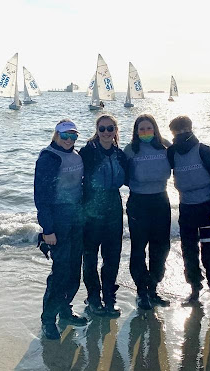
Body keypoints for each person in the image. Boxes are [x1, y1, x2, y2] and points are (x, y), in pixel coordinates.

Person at [167, 115, 210, 320]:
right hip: (186, 209)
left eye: (185, 131)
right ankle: (194, 290)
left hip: (208, 210)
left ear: (191, 129)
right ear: (173, 134)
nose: (182, 135)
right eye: (177, 133)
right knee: (189, 253)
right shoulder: (172, 153)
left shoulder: (204, 151)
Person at [34, 119, 87, 340]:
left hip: (77, 218)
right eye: (65, 135)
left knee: (75, 269)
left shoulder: (76, 155)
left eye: (73, 136)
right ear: (56, 135)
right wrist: (47, 229)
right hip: (58, 219)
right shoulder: (48, 158)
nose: (69, 140)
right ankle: (48, 319)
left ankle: (65, 309)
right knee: (60, 272)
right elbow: (41, 196)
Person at [80, 114, 127, 317]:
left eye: (110, 129)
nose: (106, 132)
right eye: (102, 129)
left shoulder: (120, 154)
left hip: (114, 207)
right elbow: (71, 177)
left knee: (112, 256)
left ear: (116, 131)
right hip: (91, 208)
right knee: (90, 257)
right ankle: (93, 298)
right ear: (97, 131)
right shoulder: (86, 152)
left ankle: (109, 296)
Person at [123, 114, 172, 310]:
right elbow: (123, 176)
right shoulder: (130, 149)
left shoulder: (165, 145)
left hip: (161, 200)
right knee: (138, 249)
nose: (145, 132)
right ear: (136, 131)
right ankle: (141, 291)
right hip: (138, 202)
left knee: (161, 248)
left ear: (155, 129)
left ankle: (153, 288)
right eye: (141, 129)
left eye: (148, 128)